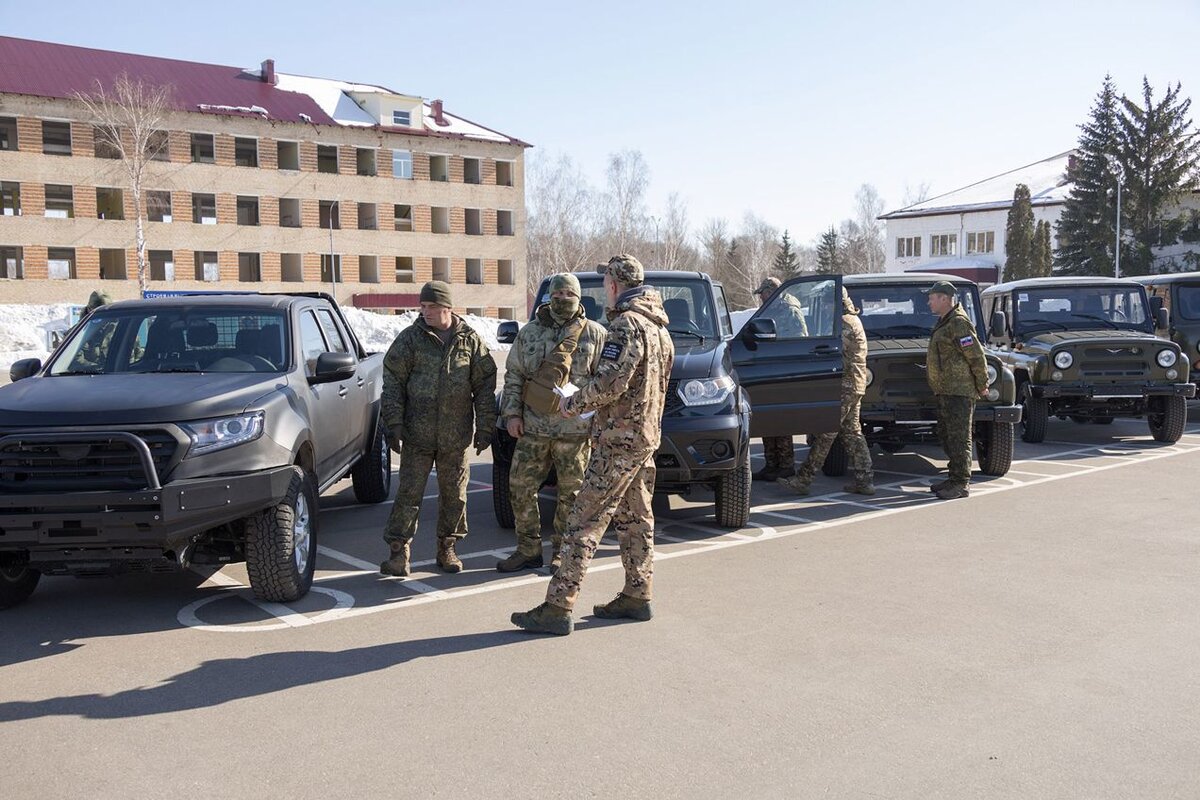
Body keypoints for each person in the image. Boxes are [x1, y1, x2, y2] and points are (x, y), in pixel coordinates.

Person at [511, 254, 674, 636]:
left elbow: (610, 383)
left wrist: (572, 404)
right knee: (636, 519)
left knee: (583, 521)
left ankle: (558, 605)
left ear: (615, 285)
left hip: (618, 441)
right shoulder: (661, 330)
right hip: (645, 439)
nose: (604, 291)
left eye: (606, 284)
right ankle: (638, 594)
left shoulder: (627, 326)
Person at [380, 280, 498, 575]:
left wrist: (485, 427)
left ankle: (447, 549)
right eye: (422, 306)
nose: (425, 312)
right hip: (417, 435)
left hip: (454, 437)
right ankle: (398, 552)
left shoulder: (469, 341)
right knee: (408, 494)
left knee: (455, 495)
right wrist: (392, 422)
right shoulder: (410, 339)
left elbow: (484, 386)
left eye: (431, 306)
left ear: (447, 307)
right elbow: (392, 382)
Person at [495, 272, 606, 574]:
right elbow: (514, 375)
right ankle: (527, 549)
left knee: (571, 495)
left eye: (568, 295)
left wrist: (597, 423)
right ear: (548, 297)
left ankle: (561, 552)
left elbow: (603, 383)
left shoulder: (595, 334)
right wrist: (512, 415)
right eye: (556, 296)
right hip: (533, 428)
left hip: (575, 433)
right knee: (519, 487)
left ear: (578, 298)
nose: (562, 301)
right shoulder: (529, 333)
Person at [779, 288, 875, 496]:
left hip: (846, 385)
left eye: (827, 303)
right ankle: (864, 480)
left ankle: (804, 479)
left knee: (825, 433)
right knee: (852, 434)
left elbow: (828, 349)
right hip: (853, 385)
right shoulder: (850, 319)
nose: (824, 307)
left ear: (837, 303)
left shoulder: (845, 323)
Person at [925, 281, 989, 500]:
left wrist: (982, 383)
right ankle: (953, 477)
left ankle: (961, 483)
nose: (929, 302)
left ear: (945, 299)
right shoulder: (945, 321)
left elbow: (976, 355)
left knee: (960, 438)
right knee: (947, 435)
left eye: (932, 298)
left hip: (959, 390)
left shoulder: (959, 323)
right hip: (945, 389)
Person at [751, 276, 808, 481]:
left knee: (781, 419)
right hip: (768, 368)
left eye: (763, 294)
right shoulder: (770, 310)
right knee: (768, 419)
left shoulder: (790, 311)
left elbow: (800, 341)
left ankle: (786, 464)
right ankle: (771, 464)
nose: (761, 298)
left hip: (783, 370)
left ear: (772, 292)